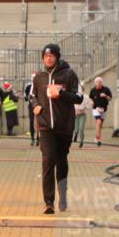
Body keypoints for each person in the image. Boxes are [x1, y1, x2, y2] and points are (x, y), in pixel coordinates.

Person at [32, 43, 82, 214]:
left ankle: (63, 196)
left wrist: (60, 94)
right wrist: (35, 105)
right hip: (45, 126)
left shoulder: (69, 74)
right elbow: (32, 95)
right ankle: (49, 202)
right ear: (42, 58)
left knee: (61, 162)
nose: (49, 58)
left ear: (57, 57)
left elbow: (79, 98)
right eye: (46, 56)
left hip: (64, 126)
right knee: (48, 160)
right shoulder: (39, 77)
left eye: (52, 56)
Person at [88, 77, 113, 146]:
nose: (99, 83)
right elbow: (90, 98)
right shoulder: (92, 90)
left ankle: (97, 136)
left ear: (102, 83)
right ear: (95, 83)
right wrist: (92, 102)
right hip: (96, 109)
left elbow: (110, 98)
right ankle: (99, 139)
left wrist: (105, 96)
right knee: (98, 122)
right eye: (97, 82)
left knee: (100, 125)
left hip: (104, 109)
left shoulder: (106, 89)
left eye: (100, 82)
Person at [73, 83, 93, 148]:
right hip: (76, 115)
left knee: (81, 129)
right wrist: (75, 110)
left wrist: (84, 108)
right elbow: (71, 104)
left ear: (83, 89)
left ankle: (81, 142)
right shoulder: (74, 95)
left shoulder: (86, 96)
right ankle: (75, 134)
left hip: (82, 115)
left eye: (80, 89)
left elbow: (90, 105)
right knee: (76, 129)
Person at [24, 74, 38, 145]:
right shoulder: (28, 87)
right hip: (31, 106)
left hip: (38, 106)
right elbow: (25, 98)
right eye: (33, 78)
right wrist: (27, 97)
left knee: (38, 122)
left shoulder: (39, 85)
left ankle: (38, 138)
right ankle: (32, 138)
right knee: (31, 122)